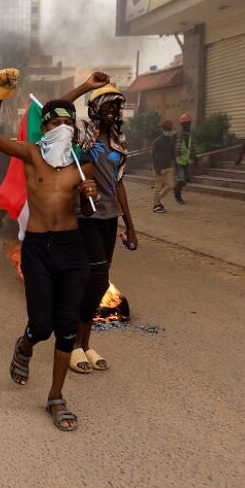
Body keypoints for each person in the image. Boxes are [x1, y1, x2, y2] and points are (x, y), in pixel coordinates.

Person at [0, 69, 98, 432]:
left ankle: (56, 397)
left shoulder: (83, 162)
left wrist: (90, 192)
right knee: (42, 325)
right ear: (44, 128)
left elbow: (92, 200)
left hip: (71, 247)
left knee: (66, 329)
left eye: (69, 122)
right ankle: (27, 344)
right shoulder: (31, 154)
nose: (62, 127)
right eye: (55, 123)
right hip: (37, 249)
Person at [59, 77, 138, 374]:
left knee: (100, 281)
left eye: (116, 105)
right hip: (84, 215)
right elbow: (56, 109)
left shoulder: (120, 140)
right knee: (95, 278)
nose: (112, 109)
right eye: (106, 103)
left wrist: (130, 225)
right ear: (94, 107)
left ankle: (85, 343)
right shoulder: (80, 129)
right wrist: (86, 85)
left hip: (109, 217)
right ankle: (72, 345)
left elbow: (119, 183)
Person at [151, 120, 176, 213]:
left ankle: (157, 199)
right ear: (162, 129)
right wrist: (156, 167)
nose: (168, 130)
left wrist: (176, 163)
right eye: (166, 129)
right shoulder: (157, 141)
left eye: (169, 129)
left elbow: (173, 153)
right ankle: (155, 205)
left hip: (168, 167)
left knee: (171, 185)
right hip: (158, 168)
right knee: (157, 187)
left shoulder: (171, 141)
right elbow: (153, 155)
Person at [174, 113, 198, 205]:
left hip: (188, 159)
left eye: (188, 123)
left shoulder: (192, 133)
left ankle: (176, 188)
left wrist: (195, 158)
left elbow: (194, 146)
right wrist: (174, 160)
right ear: (181, 124)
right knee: (181, 178)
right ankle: (178, 196)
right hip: (179, 160)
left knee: (187, 179)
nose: (186, 125)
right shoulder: (177, 134)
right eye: (184, 123)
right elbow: (174, 148)